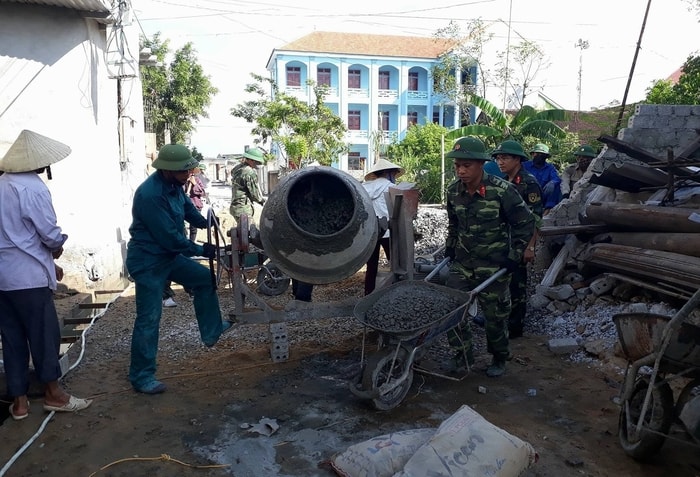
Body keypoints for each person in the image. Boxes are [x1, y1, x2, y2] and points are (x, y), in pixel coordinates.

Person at [126, 144, 233, 395]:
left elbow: (188, 211)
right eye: (184, 171)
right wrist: (201, 250)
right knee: (149, 318)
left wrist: (209, 221)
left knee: (204, 279)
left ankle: (211, 331)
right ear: (167, 170)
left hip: (168, 256)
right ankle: (142, 377)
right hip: (148, 261)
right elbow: (171, 239)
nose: (189, 175)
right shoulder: (150, 195)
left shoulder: (175, 187)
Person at [0, 130, 92, 418]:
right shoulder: (33, 188)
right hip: (29, 278)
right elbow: (49, 235)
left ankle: (20, 402)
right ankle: (54, 393)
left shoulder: (2, 184)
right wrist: (56, 247)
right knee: (43, 336)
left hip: (4, 277)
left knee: (12, 339)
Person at [443, 136, 535, 378]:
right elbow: (454, 224)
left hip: (494, 265)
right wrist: (450, 246)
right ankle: (462, 356)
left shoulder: (502, 191)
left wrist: (515, 255)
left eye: (466, 166)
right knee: (452, 309)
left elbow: (526, 223)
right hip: (463, 263)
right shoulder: (453, 192)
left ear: (480, 164)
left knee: (495, 317)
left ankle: (499, 357)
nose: (461, 171)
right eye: (457, 166)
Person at [492, 140, 543, 339]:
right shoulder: (505, 181)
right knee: (503, 282)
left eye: (505, 157)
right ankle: (502, 319)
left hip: (521, 243)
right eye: (498, 157)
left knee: (517, 285)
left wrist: (530, 247)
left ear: (517, 159)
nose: (500, 161)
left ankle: (515, 328)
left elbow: (536, 219)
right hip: (506, 241)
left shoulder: (529, 183)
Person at [361, 158, 403, 295]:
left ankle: (368, 294)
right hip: (387, 231)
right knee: (395, 264)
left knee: (371, 266)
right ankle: (399, 292)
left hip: (371, 231)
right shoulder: (391, 187)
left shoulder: (365, 187)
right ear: (388, 172)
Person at [230, 148, 266, 225]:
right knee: (252, 231)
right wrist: (262, 201)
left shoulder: (238, 168)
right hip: (243, 209)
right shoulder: (249, 172)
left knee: (243, 232)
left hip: (235, 206)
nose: (256, 164)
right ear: (251, 160)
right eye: (256, 162)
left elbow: (232, 173)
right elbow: (254, 194)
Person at [523, 143, 561, 213]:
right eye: (536, 154)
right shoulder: (525, 165)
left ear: (546, 156)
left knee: (556, 186)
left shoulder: (550, 167)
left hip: (543, 194)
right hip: (527, 194)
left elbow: (556, 178)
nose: (538, 156)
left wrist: (552, 182)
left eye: (541, 154)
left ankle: (547, 210)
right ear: (532, 154)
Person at [186, 163, 208, 242]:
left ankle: (192, 242)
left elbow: (202, 192)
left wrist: (194, 184)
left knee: (193, 227)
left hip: (195, 205)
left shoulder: (197, 180)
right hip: (183, 206)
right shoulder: (181, 180)